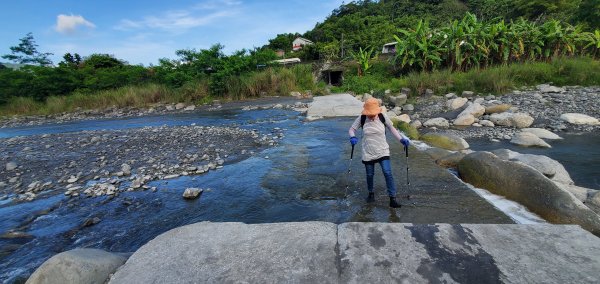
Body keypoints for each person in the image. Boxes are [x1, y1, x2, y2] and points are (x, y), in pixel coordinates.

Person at [348, 98, 410, 208]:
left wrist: (401, 139)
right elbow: (352, 129)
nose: (371, 116)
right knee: (370, 175)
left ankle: (392, 199)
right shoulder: (362, 118)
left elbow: (392, 129)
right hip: (368, 151)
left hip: (382, 150)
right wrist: (352, 137)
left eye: (373, 114)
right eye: (369, 114)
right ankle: (371, 193)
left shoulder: (382, 116)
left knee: (387, 173)